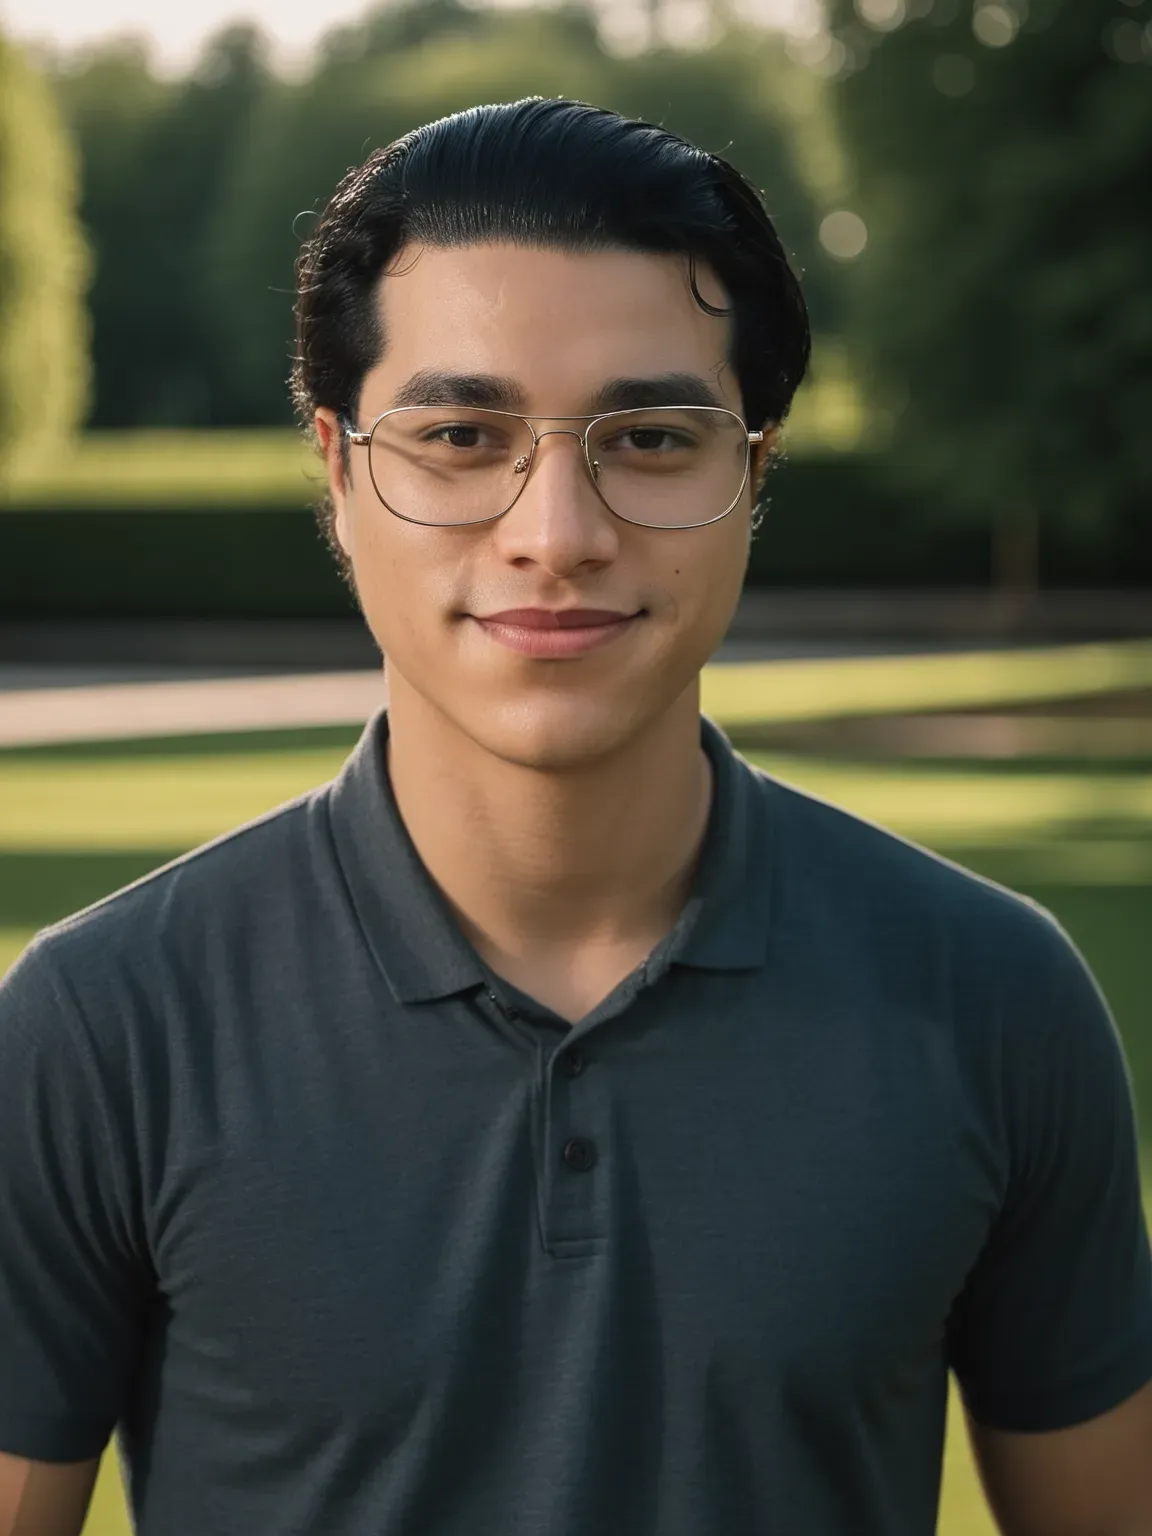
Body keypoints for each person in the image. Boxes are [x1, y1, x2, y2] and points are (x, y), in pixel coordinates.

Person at [1, 97, 1150, 1536]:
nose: (557, 533)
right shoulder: (101, 1029)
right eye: (460, 434)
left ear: (755, 473)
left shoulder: (994, 999)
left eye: (653, 437)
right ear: (340, 473)